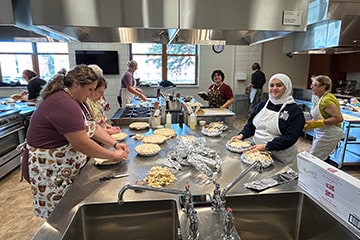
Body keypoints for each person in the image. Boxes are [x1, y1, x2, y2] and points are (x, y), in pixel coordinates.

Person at [23, 64, 129, 219]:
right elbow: (81, 143)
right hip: (50, 169)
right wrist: (113, 155)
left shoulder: (76, 99)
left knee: (69, 211)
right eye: (90, 89)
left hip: (63, 167)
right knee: (59, 216)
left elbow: (92, 127)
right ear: (77, 84)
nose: (92, 93)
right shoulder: (63, 103)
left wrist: (114, 144)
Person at [231, 73, 305, 169]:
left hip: (281, 159)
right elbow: (251, 125)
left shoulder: (294, 111)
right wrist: (242, 135)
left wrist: (267, 146)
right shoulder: (262, 105)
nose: (274, 88)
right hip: (257, 153)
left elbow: (290, 137)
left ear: (287, 88)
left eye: (279, 85)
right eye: (271, 85)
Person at [304, 75, 343, 161]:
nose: (311, 87)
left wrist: (319, 123)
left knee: (313, 158)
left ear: (323, 86)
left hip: (330, 134)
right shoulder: (319, 99)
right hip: (322, 132)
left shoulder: (327, 100)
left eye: (314, 85)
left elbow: (338, 118)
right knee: (318, 158)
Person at [86, 66, 121, 135]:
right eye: (100, 92)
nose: (102, 95)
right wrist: (108, 131)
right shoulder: (87, 103)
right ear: (92, 89)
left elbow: (100, 121)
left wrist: (109, 128)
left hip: (103, 133)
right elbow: (91, 129)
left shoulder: (96, 101)